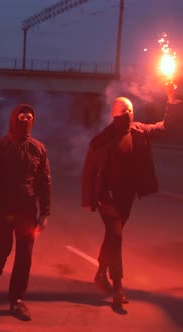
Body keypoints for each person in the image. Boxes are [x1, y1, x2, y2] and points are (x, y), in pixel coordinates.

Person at [81, 85, 181, 312]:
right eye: (125, 114)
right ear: (118, 115)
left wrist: (172, 102)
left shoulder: (139, 131)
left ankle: (99, 274)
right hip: (107, 199)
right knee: (116, 235)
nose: (128, 116)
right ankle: (117, 286)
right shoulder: (102, 140)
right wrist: (92, 198)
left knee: (112, 236)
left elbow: (166, 128)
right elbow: (89, 171)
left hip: (126, 198)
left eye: (129, 113)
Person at [0, 104, 51, 321]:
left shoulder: (38, 149)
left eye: (30, 117)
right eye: (22, 117)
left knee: (24, 255)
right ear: (14, 120)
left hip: (27, 210)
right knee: (2, 249)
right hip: (2, 208)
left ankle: (17, 299)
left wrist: (45, 212)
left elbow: (44, 182)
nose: (26, 120)